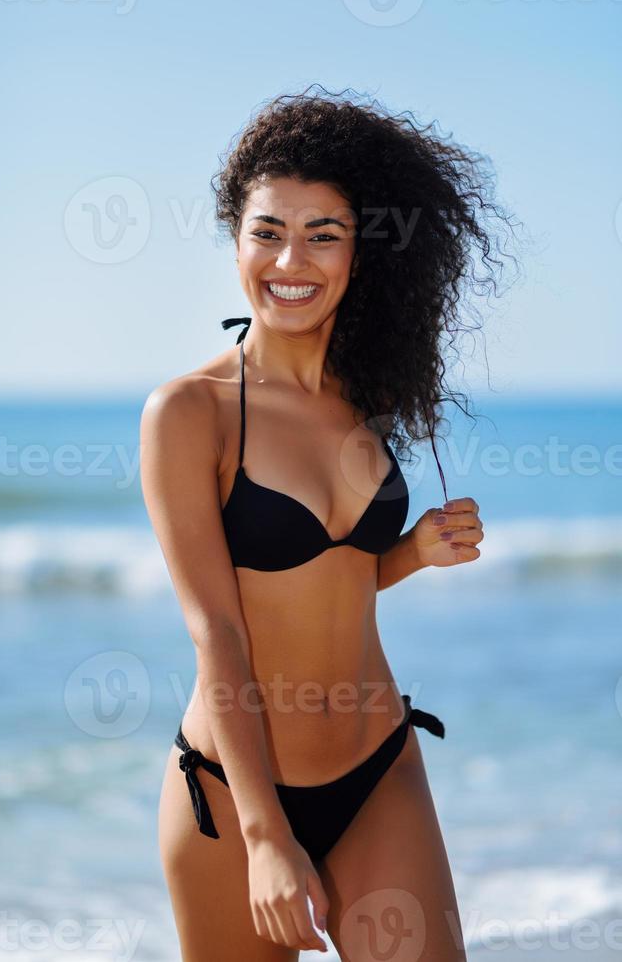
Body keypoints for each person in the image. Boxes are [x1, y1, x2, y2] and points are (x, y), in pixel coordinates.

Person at [141, 87, 514, 961]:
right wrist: (268, 835)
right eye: (267, 231)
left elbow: (328, 582)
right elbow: (220, 632)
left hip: (378, 763)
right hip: (235, 795)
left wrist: (410, 553)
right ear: (236, 239)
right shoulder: (190, 414)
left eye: (323, 233)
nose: (289, 259)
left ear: (360, 254)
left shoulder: (371, 397)